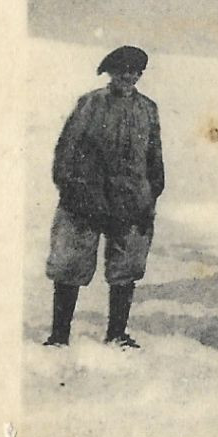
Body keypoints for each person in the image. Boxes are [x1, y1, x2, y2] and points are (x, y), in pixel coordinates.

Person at [43, 45, 164, 348]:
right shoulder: (90, 105)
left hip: (130, 201)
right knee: (70, 264)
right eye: (121, 70)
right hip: (86, 199)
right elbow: (65, 154)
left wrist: (149, 196)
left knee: (126, 266)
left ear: (140, 75)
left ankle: (117, 334)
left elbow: (154, 158)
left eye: (134, 71)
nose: (127, 76)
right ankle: (59, 336)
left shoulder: (148, 109)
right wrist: (73, 190)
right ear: (110, 73)